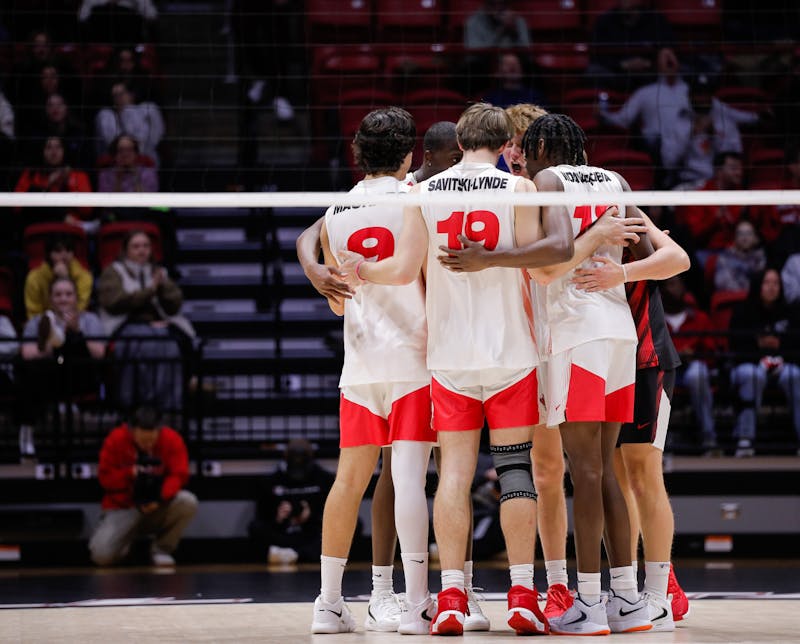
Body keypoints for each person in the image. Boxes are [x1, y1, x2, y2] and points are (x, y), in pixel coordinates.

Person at [339, 103, 574, 636]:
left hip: (447, 358)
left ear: (461, 141)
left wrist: (354, 270)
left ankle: (449, 598)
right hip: (511, 352)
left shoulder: (423, 194)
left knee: (454, 475)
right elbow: (542, 267)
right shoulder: (520, 191)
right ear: (501, 143)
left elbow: (401, 271)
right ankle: (520, 593)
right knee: (515, 470)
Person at [297, 119, 475, 633]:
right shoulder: (414, 199)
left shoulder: (336, 212)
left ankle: (328, 602)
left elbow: (336, 304)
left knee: (348, 480)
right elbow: (420, 270)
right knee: (409, 480)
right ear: (407, 156)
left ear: (358, 154)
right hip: (412, 359)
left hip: (360, 363)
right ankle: (418, 601)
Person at [97, 229, 194, 412]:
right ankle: (136, 407)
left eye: (146, 246)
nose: (142, 251)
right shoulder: (113, 272)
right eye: (136, 246)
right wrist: (150, 290)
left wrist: (162, 287)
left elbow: (175, 304)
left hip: (158, 325)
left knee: (173, 344)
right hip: (125, 324)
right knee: (145, 344)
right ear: (126, 250)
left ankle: (168, 408)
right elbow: (115, 302)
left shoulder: (159, 273)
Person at [89, 405, 198, 567]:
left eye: (151, 440)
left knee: (188, 502)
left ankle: (162, 549)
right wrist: (129, 474)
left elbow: (179, 475)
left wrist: (159, 496)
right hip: (124, 506)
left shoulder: (172, 439)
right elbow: (105, 479)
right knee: (102, 556)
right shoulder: (115, 439)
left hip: (158, 504)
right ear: (132, 431)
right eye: (143, 440)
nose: (147, 445)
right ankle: (123, 546)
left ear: (159, 431)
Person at [19, 276, 106, 458]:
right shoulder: (39, 322)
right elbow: (27, 353)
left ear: (76, 297)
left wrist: (76, 332)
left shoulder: (90, 319)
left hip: (80, 377)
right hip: (48, 378)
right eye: (58, 295)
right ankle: (27, 432)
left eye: (68, 294)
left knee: (74, 343)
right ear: (50, 299)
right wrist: (51, 341)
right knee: (30, 371)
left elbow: (100, 352)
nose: (63, 299)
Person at [729, 269, 800, 456]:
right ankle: (745, 438)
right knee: (752, 375)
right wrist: (758, 348)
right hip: (749, 364)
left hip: (783, 363)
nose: (771, 287)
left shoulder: (789, 311)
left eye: (776, 283)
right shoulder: (743, 310)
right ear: (758, 285)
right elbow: (735, 343)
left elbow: (795, 342)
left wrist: (780, 350)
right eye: (767, 282)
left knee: (795, 375)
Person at [248, 438, 335, 564]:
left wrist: (310, 515)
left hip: (311, 534)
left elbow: (333, 516)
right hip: (283, 533)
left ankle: (294, 555)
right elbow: (260, 518)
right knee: (255, 528)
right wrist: (278, 518)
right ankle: (297, 555)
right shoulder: (270, 482)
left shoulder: (324, 479)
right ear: (286, 457)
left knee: (348, 528)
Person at [662, 275, 719, 452]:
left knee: (698, 375)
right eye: (670, 285)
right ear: (662, 289)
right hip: (665, 368)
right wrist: (673, 355)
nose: (675, 289)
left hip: (692, 367)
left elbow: (712, 352)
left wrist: (694, 355)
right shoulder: (654, 318)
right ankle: (660, 437)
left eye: (678, 284)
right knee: (653, 376)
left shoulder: (699, 318)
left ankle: (708, 436)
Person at [676, 151, 747, 266]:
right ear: (719, 171)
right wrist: (715, 219)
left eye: (740, 168)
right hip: (706, 251)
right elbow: (695, 234)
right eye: (734, 168)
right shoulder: (701, 196)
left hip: (736, 252)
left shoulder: (744, 196)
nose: (739, 172)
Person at [587, 0, 673, 92]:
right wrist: (622, 65)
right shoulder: (605, 21)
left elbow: (669, 50)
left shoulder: (657, 20)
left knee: (681, 71)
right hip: (617, 74)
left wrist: (649, 64)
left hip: (650, 74)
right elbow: (597, 56)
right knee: (594, 72)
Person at [13, 136, 93, 227]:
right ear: (42, 151)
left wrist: (68, 183)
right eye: (49, 147)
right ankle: (77, 224)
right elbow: (17, 207)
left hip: (70, 230)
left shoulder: (78, 175)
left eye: (58, 147)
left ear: (64, 151)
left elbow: (87, 210)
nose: (54, 152)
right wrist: (48, 184)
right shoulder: (30, 174)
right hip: (38, 225)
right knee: (33, 192)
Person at [24, 233, 93, 320]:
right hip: (44, 325)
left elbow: (80, 308)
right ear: (49, 254)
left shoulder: (85, 277)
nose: (64, 256)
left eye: (68, 250)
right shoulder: (34, 278)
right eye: (58, 251)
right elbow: (33, 313)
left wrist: (66, 279)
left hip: (74, 322)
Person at [95, 81, 165, 165]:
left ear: (131, 95)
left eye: (121, 94)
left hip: (146, 162)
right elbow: (111, 143)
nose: (118, 98)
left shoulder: (147, 110)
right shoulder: (106, 116)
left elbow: (154, 135)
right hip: (115, 165)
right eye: (115, 95)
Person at [714, 219, 766, 293]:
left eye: (749, 233)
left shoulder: (760, 257)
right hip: (732, 299)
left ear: (755, 238)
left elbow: (763, 285)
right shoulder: (725, 257)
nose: (745, 238)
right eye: (740, 234)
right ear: (735, 238)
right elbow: (723, 283)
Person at [482, 52, 546, 110]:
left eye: (516, 63)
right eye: (507, 64)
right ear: (498, 71)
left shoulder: (535, 96)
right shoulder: (491, 98)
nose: (512, 67)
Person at [464, 0, 530, 50]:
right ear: (485, 3)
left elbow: (527, 55)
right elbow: (475, 56)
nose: (498, 8)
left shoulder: (519, 21)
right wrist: (501, 31)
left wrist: (514, 33)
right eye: (492, 4)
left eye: (502, 3)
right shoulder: (473, 23)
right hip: (484, 66)